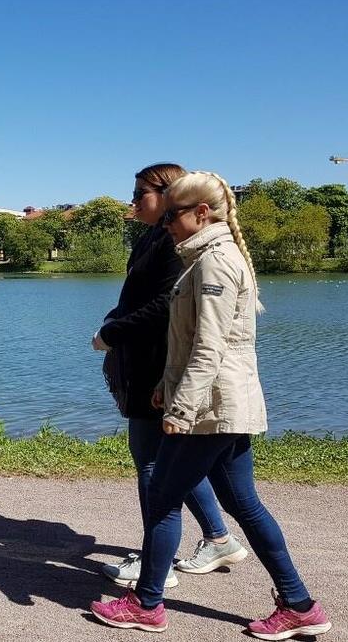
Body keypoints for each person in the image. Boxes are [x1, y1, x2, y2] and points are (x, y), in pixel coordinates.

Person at [90, 172, 331, 639]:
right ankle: (299, 604)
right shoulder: (199, 258)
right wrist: (166, 381)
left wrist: (180, 409)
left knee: (162, 497)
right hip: (220, 404)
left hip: (215, 409)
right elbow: (188, 340)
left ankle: (147, 604)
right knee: (244, 504)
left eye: (175, 214)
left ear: (202, 213)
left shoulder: (214, 263)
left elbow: (210, 348)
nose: (166, 224)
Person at [93, 163, 247, 589]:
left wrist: (112, 333)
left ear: (168, 194)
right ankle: (217, 537)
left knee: (153, 465)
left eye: (141, 192)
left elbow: (164, 307)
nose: (134, 200)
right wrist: (114, 320)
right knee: (169, 465)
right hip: (144, 364)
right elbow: (137, 298)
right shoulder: (153, 237)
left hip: (158, 365)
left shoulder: (174, 242)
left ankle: (153, 564)